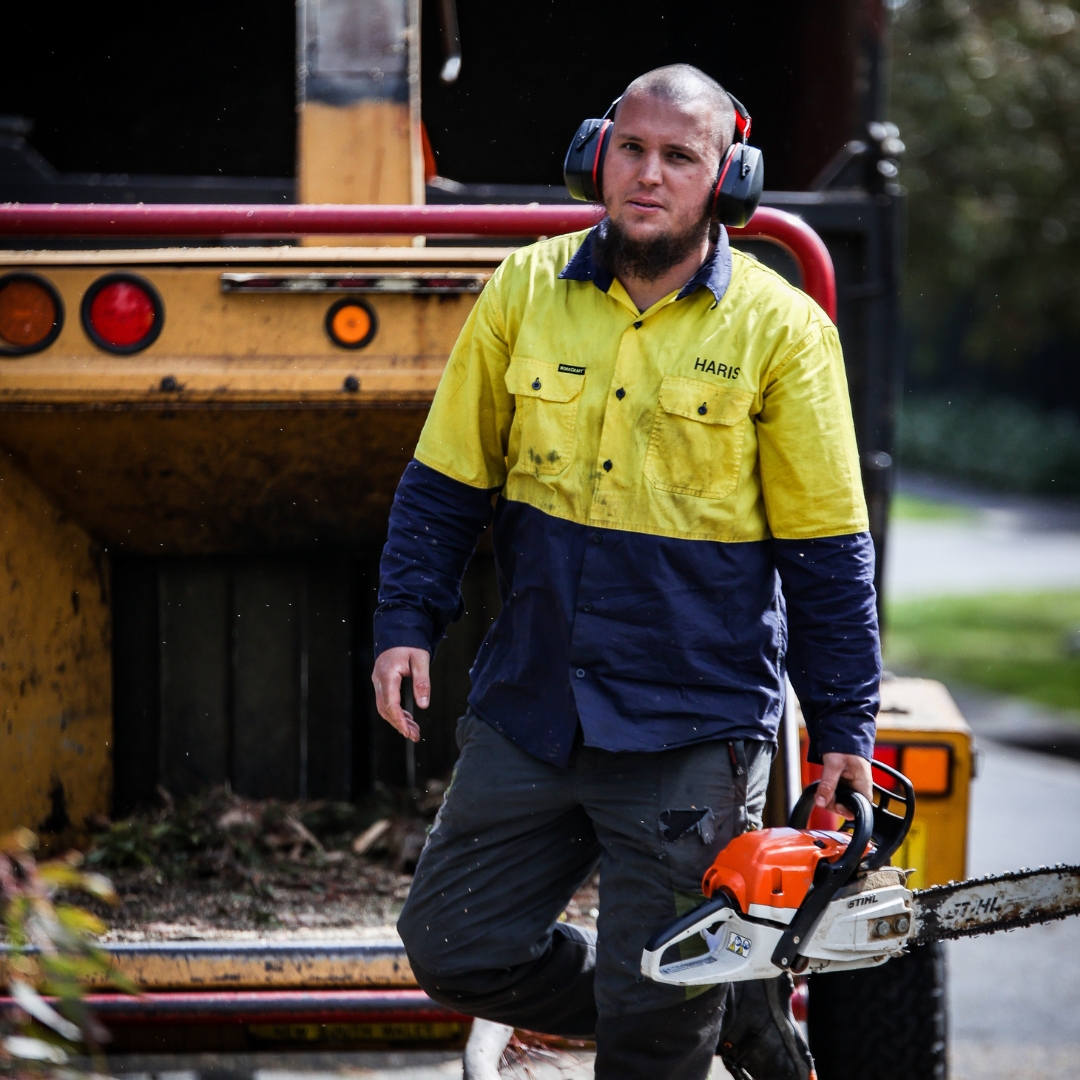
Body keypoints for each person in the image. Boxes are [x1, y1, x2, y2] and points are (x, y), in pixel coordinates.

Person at [371, 64, 879, 1080]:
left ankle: (687, 1002)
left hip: (690, 728)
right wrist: (404, 622)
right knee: (455, 947)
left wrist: (844, 727)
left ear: (725, 179)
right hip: (533, 703)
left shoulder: (783, 331)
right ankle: (724, 1003)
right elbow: (443, 483)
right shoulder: (524, 289)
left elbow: (828, 554)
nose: (649, 176)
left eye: (679, 157)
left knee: (655, 1027)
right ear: (596, 159)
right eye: (632, 150)